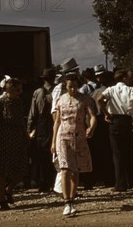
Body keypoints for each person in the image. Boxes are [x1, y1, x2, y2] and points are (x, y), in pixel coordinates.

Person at [51, 74, 97, 217]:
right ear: (66, 86)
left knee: (75, 169)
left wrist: (91, 127)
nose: (72, 89)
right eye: (70, 86)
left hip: (79, 137)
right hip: (62, 136)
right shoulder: (61, 100)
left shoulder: (85, 99)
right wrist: (53, 141)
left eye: (75, 86)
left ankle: (72, 199)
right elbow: (57, 122)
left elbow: (93, 115)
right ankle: (66, 202)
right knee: (64, 168)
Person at [0, 78, 29, 210]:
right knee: (2, 169)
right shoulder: (0, 103)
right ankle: (1, 198)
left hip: (18, 138)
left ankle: (9, 189)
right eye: (18, 90)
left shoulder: (19, 102)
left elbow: (22, 120)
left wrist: (26, 135)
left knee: (21, 168)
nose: (20, 92)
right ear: (10, 90)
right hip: (5, 138)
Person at [97, 69, 133, 192]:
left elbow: (99, 100)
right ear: (125, 78)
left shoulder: (111, 90)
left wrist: (106, 113)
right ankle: (130, 181)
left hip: (114, 121)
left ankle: (120, 184)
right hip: (127, 120)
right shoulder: (131, 90)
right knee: (128, 151)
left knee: (117, 153)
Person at [27, 68, 56, 192]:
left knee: (42, 154)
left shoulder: (38, 92)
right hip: (55, 122)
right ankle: (55, 182)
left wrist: (30, 128)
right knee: (55, 152)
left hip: (42, 124)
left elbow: (33, 113)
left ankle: (44, 182)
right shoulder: (58, 91)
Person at [87, 68, 115, 188]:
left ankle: (93, 179)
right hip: (105, 121)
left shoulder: (94, 92)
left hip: (95, 122)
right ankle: (108, 179)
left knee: (95, 153)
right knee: (107, 152)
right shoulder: (108, 92)